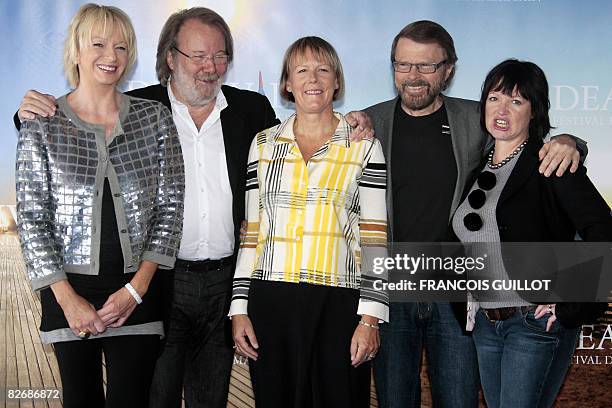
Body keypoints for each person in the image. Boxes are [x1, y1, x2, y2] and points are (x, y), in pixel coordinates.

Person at [15, 7, 374, 407]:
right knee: (155, 395)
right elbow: (83, 122)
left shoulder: (252, 110)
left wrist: (356, 120)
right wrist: (25, 113)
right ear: (171, 58)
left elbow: (305, 128)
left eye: (220, 56)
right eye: (198, 56)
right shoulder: (140, 109)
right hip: (161, 283)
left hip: (225, 284)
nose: (210, 67)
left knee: (211, 397)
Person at [364, 21, 585, 408]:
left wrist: (571, 143)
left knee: (459, 400)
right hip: (391, 286)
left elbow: (528, 140)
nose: (413, 76)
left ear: (449, 69)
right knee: (394, 400)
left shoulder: (475, 118)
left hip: (458, 294)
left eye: (427, 66)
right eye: (403, 65)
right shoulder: (369, 122)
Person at [14, 4, 184, 408]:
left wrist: (136, 290)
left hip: (137, 296)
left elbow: (170, 206)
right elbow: (33, 218)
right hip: (67, 296)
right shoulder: (42, 123)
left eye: (122, 47)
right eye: (99, 44)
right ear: (76, 50)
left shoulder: (154, 118)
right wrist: (66, 299)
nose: (111, 56)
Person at [229, 36, 388, 408]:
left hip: (340, 303)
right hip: (271, 300)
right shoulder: (263, 145)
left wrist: (370, 318)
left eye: (323, 69)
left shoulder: (364, 146)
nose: (312, 79)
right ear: (287, 83)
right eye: (301, 70)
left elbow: (376, 238)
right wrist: (239, 309)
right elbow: (251, 233)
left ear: (336, 81)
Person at [451, 59, 612, 408]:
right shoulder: (478, 171)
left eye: (517, 101)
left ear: (534, 110)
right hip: (484, 325)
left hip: (532, 323)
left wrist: (572, 301)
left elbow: (603, 230)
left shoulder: (551, 163)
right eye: (495, 98)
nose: (503, 109)